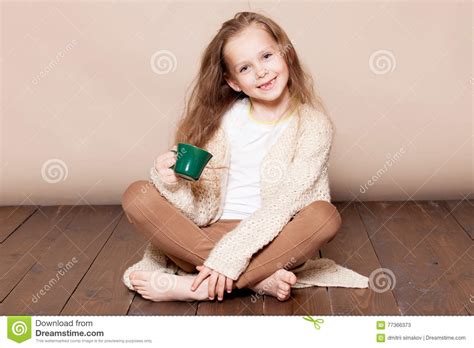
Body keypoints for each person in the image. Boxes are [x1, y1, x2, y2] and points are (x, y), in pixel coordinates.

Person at [122, 11, 342, 302]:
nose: (261, 72)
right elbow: (197, 205)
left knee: (325, 217)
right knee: (137, 194)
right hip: (207, 234)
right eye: (246, 68)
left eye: (266, 56)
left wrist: (231, 257)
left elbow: (282, 206)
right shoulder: (222, 121)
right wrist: (173, 182)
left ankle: (197, 287)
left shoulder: (314, 126)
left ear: (285, 54)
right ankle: (256, 280)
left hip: (273, 239)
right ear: (234, 82)